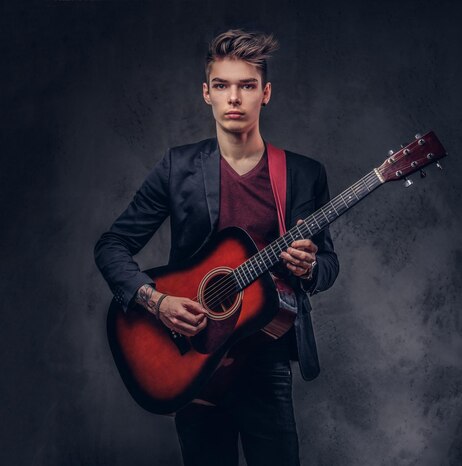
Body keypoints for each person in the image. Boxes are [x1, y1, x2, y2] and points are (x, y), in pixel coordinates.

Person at [94, 29, 339, 465]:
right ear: (206, 93)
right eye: (223, 86)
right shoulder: (178, 168)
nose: (234, 98)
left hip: (265, 361)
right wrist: (156, 301)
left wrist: (309, 269)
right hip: (193, 356)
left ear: (265, 94)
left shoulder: (302, 174)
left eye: (246, 86)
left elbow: (328, 265)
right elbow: (112, 246)